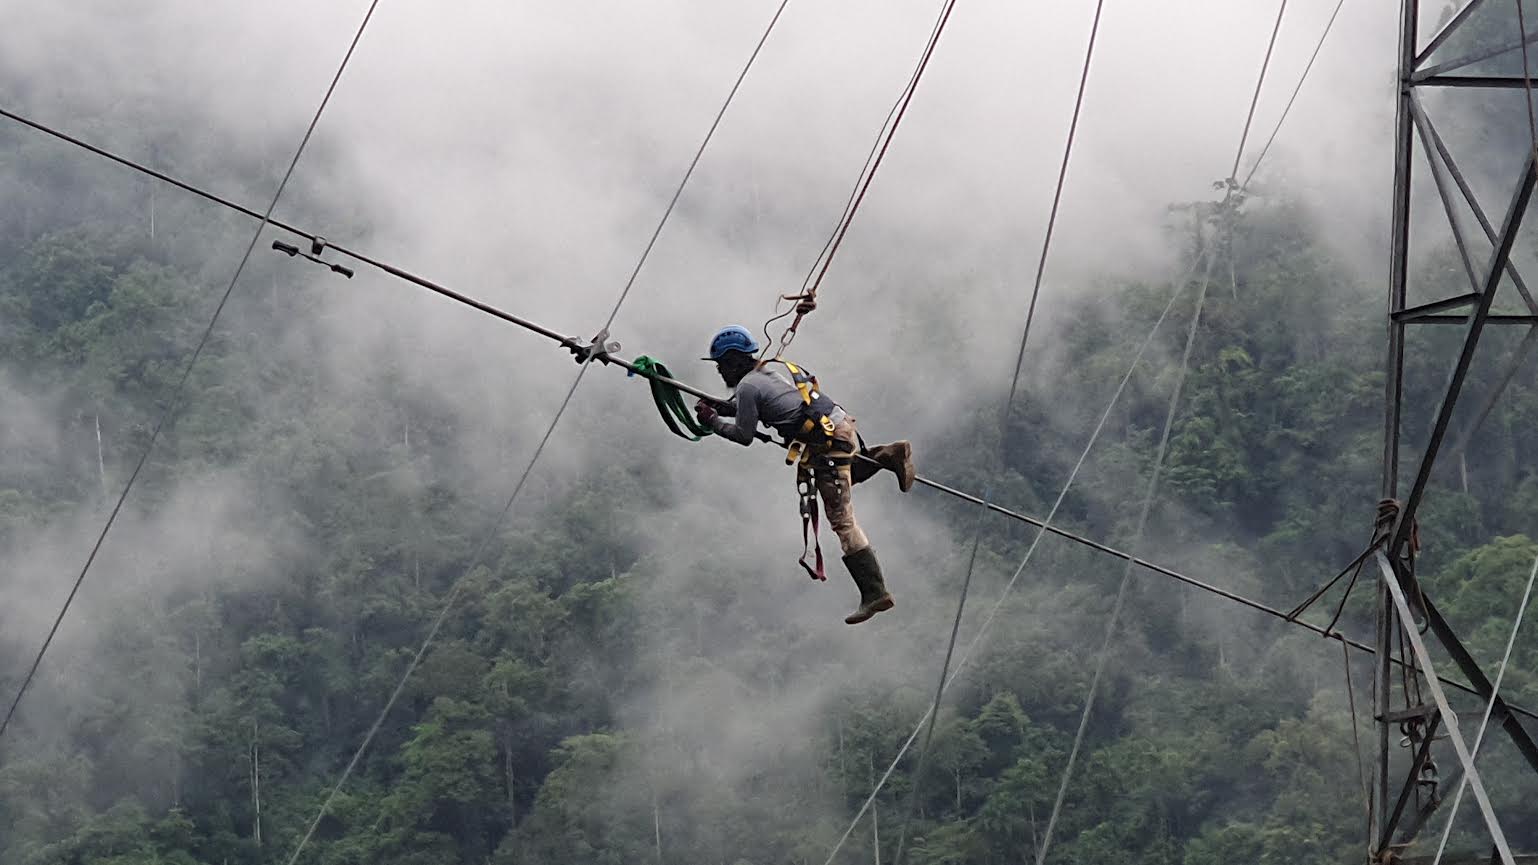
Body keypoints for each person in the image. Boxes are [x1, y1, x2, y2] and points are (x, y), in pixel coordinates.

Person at [693, 325, 915, 625]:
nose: (720, 372)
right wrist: (721, 409)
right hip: (837, 427)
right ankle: (887, 454)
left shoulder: (747, 386)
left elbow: (745, 434)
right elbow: (755, 407)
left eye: (722, 366)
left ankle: (875, 593)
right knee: (843, 479)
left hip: (828, 444)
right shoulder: (766, 373)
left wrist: (713, 422)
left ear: (734, 361)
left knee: (842, 520)